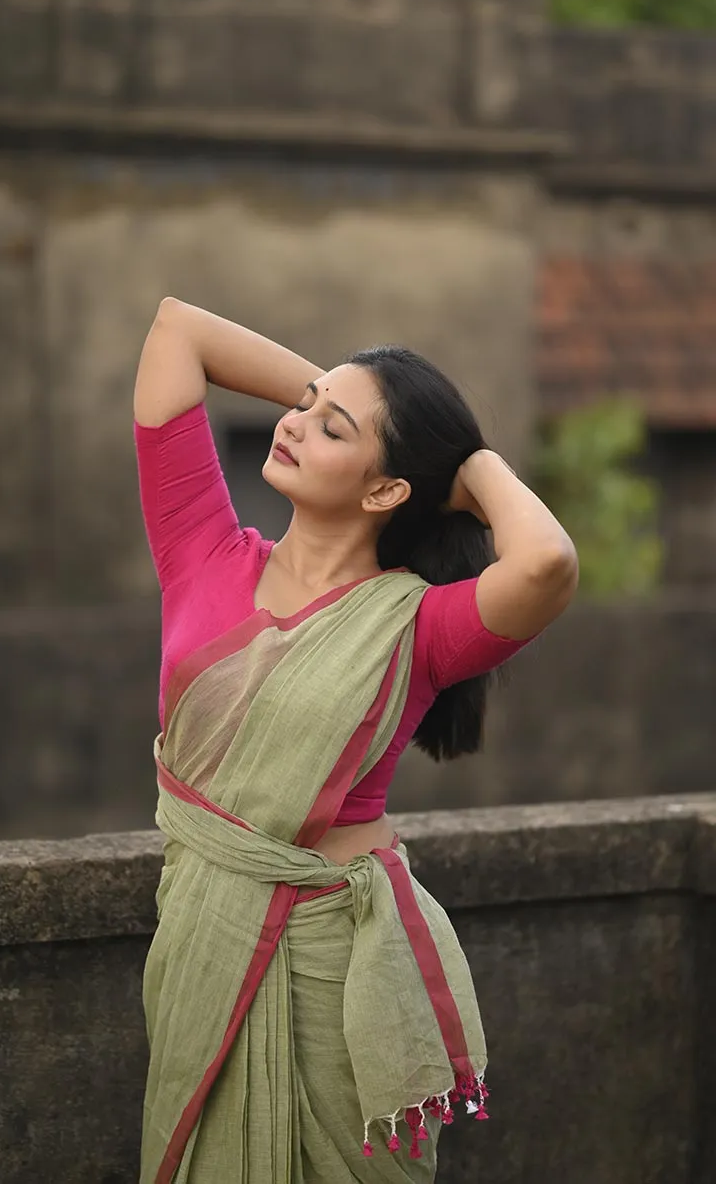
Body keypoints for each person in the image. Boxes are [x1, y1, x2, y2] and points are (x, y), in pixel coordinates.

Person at [134, 298, 578, 1184]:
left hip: (334, 971)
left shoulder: (419, 627)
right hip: (199, 932)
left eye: (329, 428)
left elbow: (546, 565)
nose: (294, 426)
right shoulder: (204, 552)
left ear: (386, 490)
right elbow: (178, 329)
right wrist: (331, 393)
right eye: (301, 409)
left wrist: (471, 465)